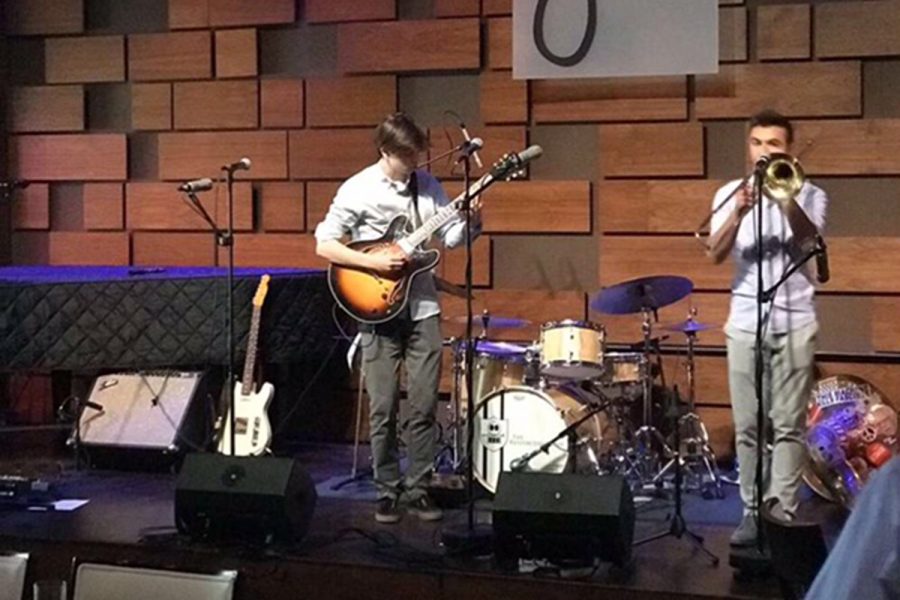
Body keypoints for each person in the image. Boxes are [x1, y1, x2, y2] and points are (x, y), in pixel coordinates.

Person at [315, 112, 482, 524]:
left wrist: (473, 218)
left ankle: (419, 488)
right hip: (376, 307)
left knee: (424, 405)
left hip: (422, 308)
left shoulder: (429, 187)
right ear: (386, 150)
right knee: (383, 406)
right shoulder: (358, 188)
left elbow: (453, 239)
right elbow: (325, 245)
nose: (415, 162)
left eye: (417, 154)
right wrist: (372, 264)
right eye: (407, 155)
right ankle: (387, 489)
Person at [707, 109, 829, 546]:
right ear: (748, 146)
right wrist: (738, 211)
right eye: (757, 143)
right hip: (743, 324)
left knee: (788, 424)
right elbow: (714, 253)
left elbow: (809, 244)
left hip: (796, 323)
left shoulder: (809, 193)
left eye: (773, 144)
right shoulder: (729, 193)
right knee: (749, 425)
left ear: (787, 149)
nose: (764, 152)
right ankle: (753, 513)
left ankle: (783, 512)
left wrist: (784, 196)